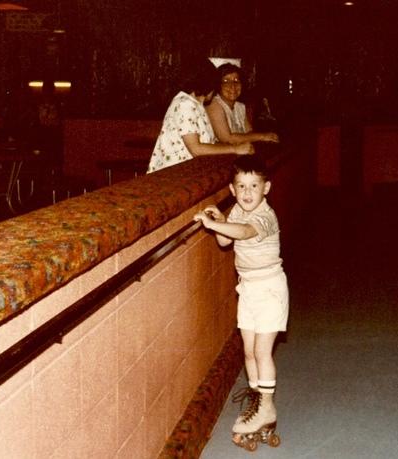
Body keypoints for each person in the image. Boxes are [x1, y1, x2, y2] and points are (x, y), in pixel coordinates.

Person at [193, 155, 288, 445]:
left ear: (266, 188)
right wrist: (221, 221)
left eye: (254, 186)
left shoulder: (264, 216)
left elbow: (245, 232)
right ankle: (259, 403)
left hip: (270, 289)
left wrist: (213, 225)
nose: (247, 193)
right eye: (241, 187)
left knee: (261, 352)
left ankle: (267, 406)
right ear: (233, 190)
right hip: (247, 289)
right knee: (247, 353)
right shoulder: (236, 209)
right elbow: (226, 241)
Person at [147, 61, 253, 174]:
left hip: (189, 171)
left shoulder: (198, 106)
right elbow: (196, 149)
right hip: (170, 175)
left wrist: (237, 146)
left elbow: (208, 144)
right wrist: (235, 149)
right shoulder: (184, 104)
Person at [206, 63, 279, 145]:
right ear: (218, 85)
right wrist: (263, 136)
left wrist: (267, 136)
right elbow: (227, 139)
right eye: (226, 81)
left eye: (236, 81)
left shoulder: (240, 106)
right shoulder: (213, 105)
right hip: (219, 156)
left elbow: (249, 133)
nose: (232, 86)